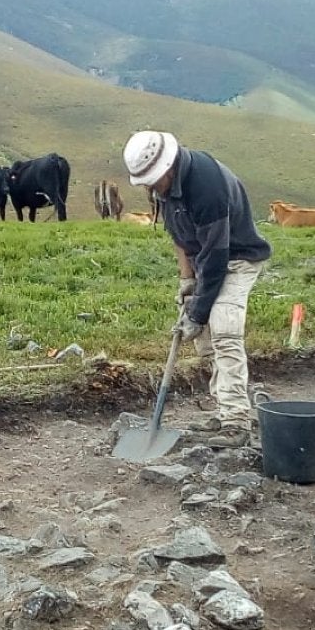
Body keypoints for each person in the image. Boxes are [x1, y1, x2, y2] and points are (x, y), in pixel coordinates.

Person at [123, 130, 273, 447]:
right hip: (205, 261)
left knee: (224, 330)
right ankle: (222, 411)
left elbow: (218, 256)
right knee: (206, 346)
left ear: (169, 166)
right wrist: (186, 279)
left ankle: (236, 422)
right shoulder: (163, 186)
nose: (149, 187)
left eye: (152, 179)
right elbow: (177, 234)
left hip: (237, 257)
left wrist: (197, 313)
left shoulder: (208, 186)